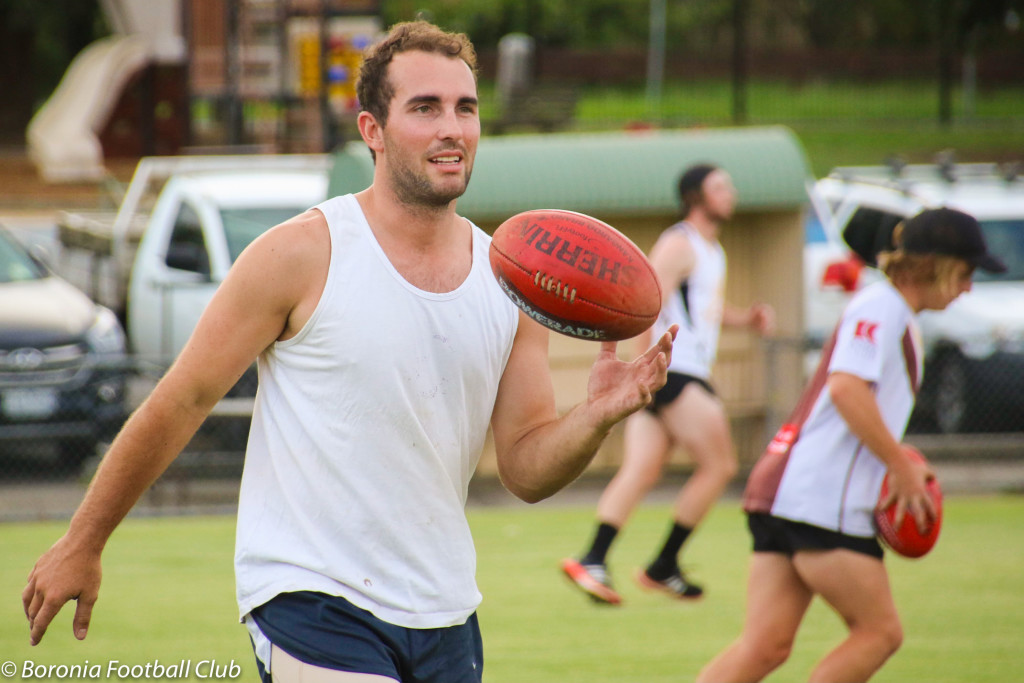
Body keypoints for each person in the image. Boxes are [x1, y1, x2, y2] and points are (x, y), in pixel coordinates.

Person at [22, 20, 676, 683]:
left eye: (466, 108)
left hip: (445, 607)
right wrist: (84, 539)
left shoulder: (509, 280)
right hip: (311, 594)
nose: (452, 127)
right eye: (425, 108)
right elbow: (182, 397)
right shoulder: (300, 255)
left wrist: (595, 416)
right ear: (372, 130)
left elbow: (527, 468)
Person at [696, 207, 1006, 683]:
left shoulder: (889, 310)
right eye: (965, 272)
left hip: (789, 492)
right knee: (879, 634)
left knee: (765, 647)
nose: (968, 287)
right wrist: (898, 463)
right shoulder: (882, 307)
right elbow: (847, 388)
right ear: (935, 265)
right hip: (822, 499)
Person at [561, 163, 774, 604]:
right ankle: (664, 565)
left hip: (668, 371)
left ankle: (593, 558)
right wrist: (641, 363)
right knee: (720, 467)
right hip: (676, 371)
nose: (731, 193)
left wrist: (745, 319)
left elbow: (704, 307)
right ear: (696, 196)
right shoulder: (680, 243)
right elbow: (645, 298)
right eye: (721, 186)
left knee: (642, 470)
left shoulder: (712, 251)